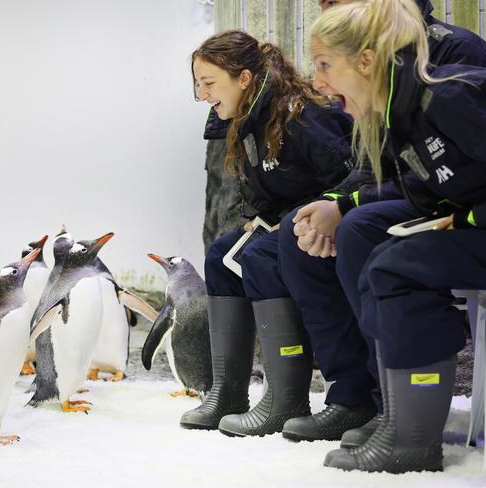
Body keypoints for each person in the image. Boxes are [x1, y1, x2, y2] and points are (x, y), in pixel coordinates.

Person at [277, 0, 486, 447]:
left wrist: (467, 217)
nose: (316, 82)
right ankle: (389, 409)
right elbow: (427, 184)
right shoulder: (400, 115)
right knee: (387, 254)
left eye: (324, 65)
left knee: (397, 266)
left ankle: (412, 437)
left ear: (367, 61)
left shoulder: (447, 96)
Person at [180, 30, 355, 436]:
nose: (203, 95)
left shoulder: (300, 115)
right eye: (198, 85)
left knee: (258, 258)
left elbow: (347, 173)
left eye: (209, 83)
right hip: (289, 222)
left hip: (327, 228)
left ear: (243, 79)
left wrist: (322, 211)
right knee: (221, 257)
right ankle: (227, 390)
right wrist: (264, 215)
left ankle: (287, 398)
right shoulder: (250, 120)